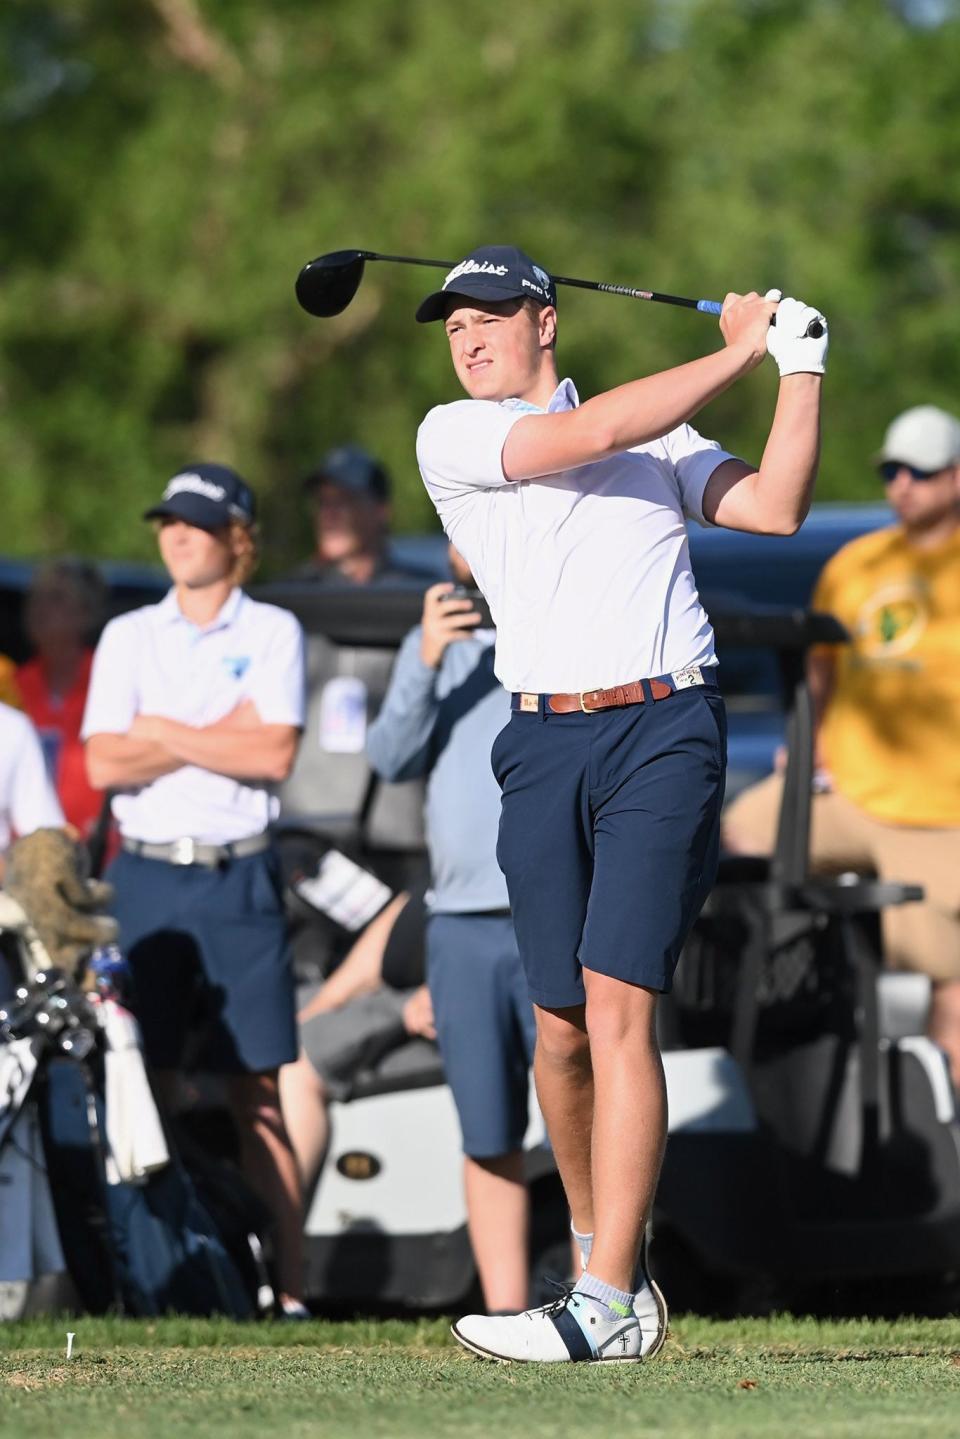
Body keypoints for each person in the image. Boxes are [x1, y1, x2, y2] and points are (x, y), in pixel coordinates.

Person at [413, 244, 827, 1363]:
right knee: (557, 1033)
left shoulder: (664, 435)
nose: (467, 338)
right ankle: (613, 1262)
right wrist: (736, 346)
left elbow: (780, 507)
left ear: (545, 320)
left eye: (489, 316)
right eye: (453, 324)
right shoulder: (453, 433)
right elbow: (586, 437)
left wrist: (799, 368)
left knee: (617, 1003)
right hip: (542, 738)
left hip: (665, 728)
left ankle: (598, 1300)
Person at [81, 463, 308, 1316]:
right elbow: (105, 761)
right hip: (142, 874)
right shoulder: (128, 634)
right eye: (168, 521)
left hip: (238, 873)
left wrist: (161, 731)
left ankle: (290, 1292)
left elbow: (273, 754)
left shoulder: (277, 629)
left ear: (237, 538)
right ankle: (164, 1276)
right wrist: (220, 732)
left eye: (197, 523)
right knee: (149, 1081)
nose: (176, 535)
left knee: (260, 1090)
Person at [724, 404, 960, 1091]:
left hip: (936, 810)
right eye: (892, 470)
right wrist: (809, 742)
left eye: (920, 470)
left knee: (941, 982)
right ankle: (769, 1003)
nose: (903, 484)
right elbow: (821, 664)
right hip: (848, 791)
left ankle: (946, 1142)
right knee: (736, 835)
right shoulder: (856, 564)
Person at [365, 545, 538, 1316]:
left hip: (551, 914)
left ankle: (604, 1297)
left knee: (584, 1113)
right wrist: (426, 657)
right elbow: (391, 756)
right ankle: (506, 1313)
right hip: (460, 923)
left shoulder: (556, 617)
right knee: (486, 1125)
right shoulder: (435, 640)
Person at [280, 888, 437, 1198]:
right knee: (276, 1026)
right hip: (396, 994)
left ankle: (281, 1230)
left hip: (434, 1017)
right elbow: (409, 907)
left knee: (295, 1063)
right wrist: (326, 1001)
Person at [18, 558, 107, 837]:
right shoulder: (11, 685)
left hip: (99, 846)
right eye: (35, 599)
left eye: (55, 598)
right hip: (25, 848)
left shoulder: (109, 681)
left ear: (86, 613)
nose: (39, 609)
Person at [291, 445, 433, 586]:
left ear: (381, 510)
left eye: (344, 500)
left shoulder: (420, 590)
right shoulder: (290, 595)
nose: (329, 514)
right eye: (322, 502)